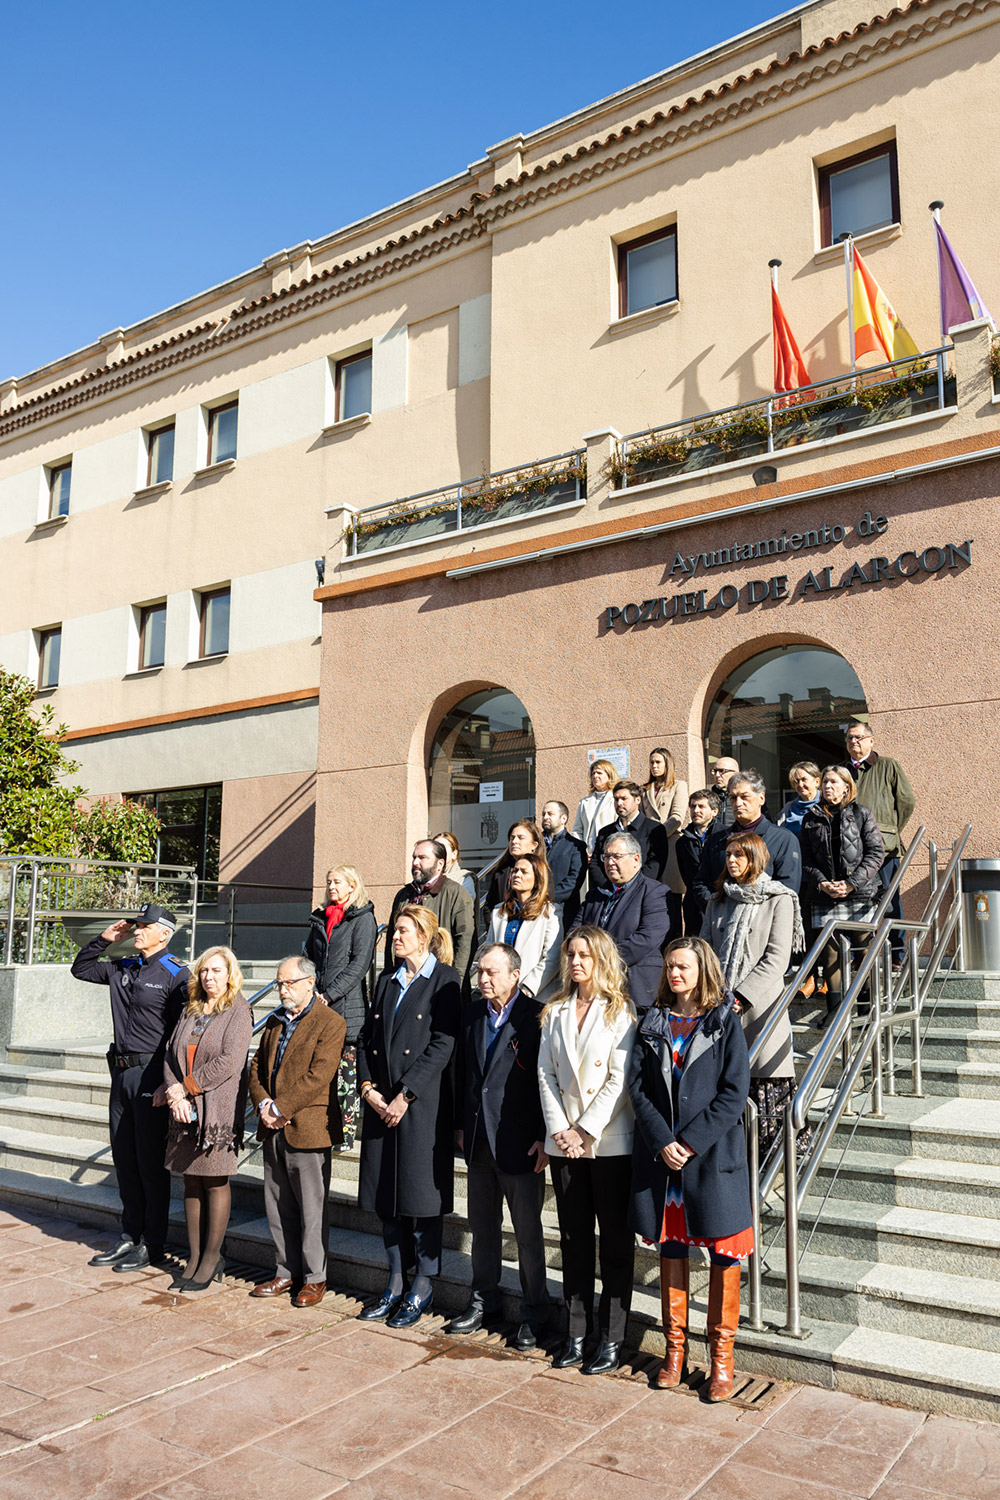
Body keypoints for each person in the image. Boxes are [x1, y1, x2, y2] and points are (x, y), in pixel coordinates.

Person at [628, 937, 753, 1402]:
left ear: (703, 970)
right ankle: (674, 1353)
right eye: (670, 966)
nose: (674, 974)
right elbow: (638, 1088)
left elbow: (733, 1093)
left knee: (724, 1257)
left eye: (683, 967)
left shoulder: (723, 1022)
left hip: (711, 1160)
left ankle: (722, 1362)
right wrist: (664, 1142)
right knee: (672, 1253)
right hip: (665, 1165)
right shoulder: (654, 1020)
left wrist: (689, 1142)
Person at [538, 927, 637, 1376]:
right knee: (574, 1240)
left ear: (601, 959)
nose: (576, 962)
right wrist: (560, 1130)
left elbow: (618, 1081)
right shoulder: (554, 1011)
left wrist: (584, 1130)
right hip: (565, 1146)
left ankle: (612, 1339)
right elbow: (545, 1075)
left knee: (615, 1244)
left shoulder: (621, 1012)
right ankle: (576, 1333)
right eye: (571, 954)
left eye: (585, 955)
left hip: (608, 1143)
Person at [357, 906, 461, 1328]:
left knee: (421, 1199)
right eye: (394, 930)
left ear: (425, 935)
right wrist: (368, 1089)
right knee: (388, 1200)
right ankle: (395, 1282)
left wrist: (406, 1094)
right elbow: (366, 1039)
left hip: (422, 1106)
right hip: (381, 1105)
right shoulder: (386, 980)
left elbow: (443, 1044)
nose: (394, 936)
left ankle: (423, 1284)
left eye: (402, 930)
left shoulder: (447, 980)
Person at [71, 903, 190, 1272]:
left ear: (164, 934)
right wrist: (105, 939)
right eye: (137, 925)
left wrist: (170, 1083)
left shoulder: (177, 974)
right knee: (124, 1160)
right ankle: (130, 1236)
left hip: (151, 1076)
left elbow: (180, 1035)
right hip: (121, 1075)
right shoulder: (124, 966)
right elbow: (82, 969)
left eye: (144, 926)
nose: (137, 931)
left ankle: (152, 1244)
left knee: (149, 1165)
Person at [448, 943, 552, 1349]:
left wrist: (545, 1135)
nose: (483, 979)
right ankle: (483, 1300)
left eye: (492, 972)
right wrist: (459, 1124)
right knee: (482, 1228)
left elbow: (547, 1081)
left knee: (527, 1233)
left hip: (521, 1143)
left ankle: (534, 1311)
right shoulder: (473, 1013)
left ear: (515, 975)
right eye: (479, 971)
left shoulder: (538, 1017)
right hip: (477, 1141)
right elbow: (464, 1074)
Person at [700, 831, 807, 1158]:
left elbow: (777, 958)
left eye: (739, 855)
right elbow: (704, 949)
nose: (731, 860)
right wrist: (713, 993)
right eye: (729, 854)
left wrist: (741, 996)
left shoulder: (779, 898)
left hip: (759, 1006)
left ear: (756, 858)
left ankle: (777, 1159)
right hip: (717, 1004)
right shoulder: (718, 900)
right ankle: (732, 1156)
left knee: (763, 1079)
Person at [248, 955, 346, 1306]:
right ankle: (285, 1272)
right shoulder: (275, 1021)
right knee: (277, 1205)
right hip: (272, 1127)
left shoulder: (329, 1022)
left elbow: (319, 1075)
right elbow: (256, 1065)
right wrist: (262, 1105)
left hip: (307, 1127)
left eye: (288, 983)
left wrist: (280, 1108)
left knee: (311, 1208)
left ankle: (314, 1277)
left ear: (309, 983)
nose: (282, 989)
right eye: (278, 983)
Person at [157, 946, 252, 1291]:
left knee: (214, 1181)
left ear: (230, 974)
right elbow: (169, 1054)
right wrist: (173, 1091)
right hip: (184, 1108)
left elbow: (231, 1061)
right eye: (204, 971)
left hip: (217, 1109)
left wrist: (186, 1088)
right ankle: (194, 1257)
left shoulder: (239, 1009)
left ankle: (213, 1257)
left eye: (216, 971)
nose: (209, 977)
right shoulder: (191, 1008)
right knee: (190, 1182)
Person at [800, 767, 885, 1025]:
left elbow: (875, 854)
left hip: (858, 892)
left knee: (863, 948)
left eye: (833, 782)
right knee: (830, 952)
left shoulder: (862, 814)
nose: (827, 786)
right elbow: (805, 859)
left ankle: (867, 1007)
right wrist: (822, 883)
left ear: (847, 786)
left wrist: (850, 884)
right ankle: (836, 1010)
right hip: (825, 894)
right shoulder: (811, 817)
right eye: (824, 781)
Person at [304, 865, 377, 1151]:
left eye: (337, 882)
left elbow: (359, 965)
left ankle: (345, 1136)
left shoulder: (363, 918)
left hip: (347, 1008)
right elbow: (309, 955)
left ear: (352, 886)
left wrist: (330, 994)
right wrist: (308, 986)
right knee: (322, 1072)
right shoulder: (321, 918)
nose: (331, 886)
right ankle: (321, 1127)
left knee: (346, 1077)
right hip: (319, 1005)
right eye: (328, 881)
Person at [572, 832, 671, 1011]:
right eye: (606, 856)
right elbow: (575, 933)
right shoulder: (594, 895)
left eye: (617, 856)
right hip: (594, 990)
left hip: (635, 990)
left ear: (636, 859)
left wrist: (601, 962)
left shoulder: (655, 892)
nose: (610, 862)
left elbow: (647, 938)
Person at [846, 722, 916, 963]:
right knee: (857, 900)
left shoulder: (888, 765)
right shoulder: (844, 771)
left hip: (884, 848)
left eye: (858, 737)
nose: (853, 742)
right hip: (852, 850)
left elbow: (906, 801)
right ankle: (860, 954)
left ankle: (897, 954)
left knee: (889, 899)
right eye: (849, 739)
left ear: (871, 741)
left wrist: (890, 830)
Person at [695, 769, 801, 912]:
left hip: (763, 923)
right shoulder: (717, 839)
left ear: (761, 798)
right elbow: (701, 882)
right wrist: (715, 908)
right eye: (733, 797)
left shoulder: (783, 839)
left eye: (745, 797)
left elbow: (788, 887)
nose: (738, 803)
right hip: (721, 922)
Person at [384, 839, 475, 981]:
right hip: (403, 978)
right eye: (414, 857)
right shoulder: (403, 895)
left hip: (438, 982)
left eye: (422, 858)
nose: (415, 863)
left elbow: (465, 942)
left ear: (440, 864)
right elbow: (391, 938)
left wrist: (455, 980)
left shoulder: (456, 893)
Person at [487, 853, 563, 1000]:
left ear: (537, 879)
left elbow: (552, 958)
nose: (517, 875)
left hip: (535, 995)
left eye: (524, 871)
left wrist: (526, 989)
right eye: (515, 870)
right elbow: (490, 951)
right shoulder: (499, 911)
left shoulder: (550, 912)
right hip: (500, 993)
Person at [642, 748, 689, 938]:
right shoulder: (645, 790)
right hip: (648, 849)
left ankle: (674, 942)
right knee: (650, 898)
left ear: (667, 764)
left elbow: (677, 817)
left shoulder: (678, 786)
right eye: (652, 762)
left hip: (670, 846)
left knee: (671, 901)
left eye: (658, 762)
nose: (654, 766)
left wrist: (657, 834)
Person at [591, 780, 669, 885]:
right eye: (616, 799)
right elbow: (595, 864)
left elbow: (655, 865)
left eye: (624, 799)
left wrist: (631, 888)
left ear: (637, 800)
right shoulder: (605, 832)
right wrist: (610, 886)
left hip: (642, 891)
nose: (619, 803)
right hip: (609, 893)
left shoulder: (655, 829)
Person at [677, 789, 720, 936]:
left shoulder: (725, 837)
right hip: (693, 905)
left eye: (701, 806)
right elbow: (686, 874)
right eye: (693, 806)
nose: (696, 810)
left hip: (720, 901)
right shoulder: (682, 842)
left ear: (714, 811)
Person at [483, 819, 547, 914]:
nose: (514, 841)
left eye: (521, 838)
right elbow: (489, 905)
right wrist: (494, 926)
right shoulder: (501, 872)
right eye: (512, 838)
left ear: (534, 845)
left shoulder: (542, 871)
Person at [541, 800, 587, 926]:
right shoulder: (535, 845)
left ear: (563, 818)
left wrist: (547, 897)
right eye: (543, 814)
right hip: (535, 910)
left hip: (563, 911)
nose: (545, 817)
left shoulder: (576, 846)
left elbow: (574, 880)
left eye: (550, 814)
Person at [571, 759, 617, 855]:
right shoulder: (584, 802)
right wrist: (581, 850)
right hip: (587, 853)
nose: (595, 776)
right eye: (593, 773)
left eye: (599, 773)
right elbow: (577, 830)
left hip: (608, 852)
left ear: (609, 775)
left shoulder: (615, 799)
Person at [777, 762, 822, 842]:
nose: (800, 784)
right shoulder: (788, 809)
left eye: (804, 780)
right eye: (796, 781)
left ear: (817, 782)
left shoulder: (826, 806)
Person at [436, 831, 476, 900]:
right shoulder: (427, 876)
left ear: (454, 854)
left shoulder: (463, 879)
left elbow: (465, 904)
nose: (437, 851)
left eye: (442, 847)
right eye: (435, 847)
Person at [709, 757, 741, 831]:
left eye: (722, 771)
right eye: (715, 771)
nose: (717, 775)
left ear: (736, 773)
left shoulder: (746, 798)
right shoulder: (709, 798)